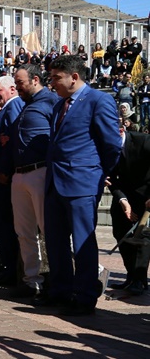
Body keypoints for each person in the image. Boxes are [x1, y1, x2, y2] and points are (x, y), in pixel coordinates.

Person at [43, 55, 121, 315]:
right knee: (55, 241)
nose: (52, 83)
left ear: (74, 77)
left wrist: (99, 174)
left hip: (83, 183)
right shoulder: (58, 106)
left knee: (83, 242)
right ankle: (60, 291)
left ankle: (85, 295)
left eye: (56, 78)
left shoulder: (100, 100)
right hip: (55, 182)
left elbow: (111, 144)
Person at [10, 64, 59, 303]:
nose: (17, 87)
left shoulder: (51, 101)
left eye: (20, 83)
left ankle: (55, 281)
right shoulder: (25, 106)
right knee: (24, 232)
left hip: (40, 171)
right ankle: (32, 281)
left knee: (48, 230)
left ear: (35, 79)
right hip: (19, 174)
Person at [0, 76, 26, 289]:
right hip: (0, 178)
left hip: (4, 178)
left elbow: (12, 140)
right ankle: (8, 267)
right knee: (1, 226)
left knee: (6, 225)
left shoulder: (15, 106)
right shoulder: (7, 109)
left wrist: (4, 169)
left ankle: (12, 271)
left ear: (12, 88)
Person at [107, 123, 150, 296]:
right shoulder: (105, 148)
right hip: (125, 193)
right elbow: (109, 178)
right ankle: (131, 276)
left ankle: (139, 280)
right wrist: (123, 201)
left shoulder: (144, 141)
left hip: (146, 192)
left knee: (143, 235)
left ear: (120, 131)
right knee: (120, 231)